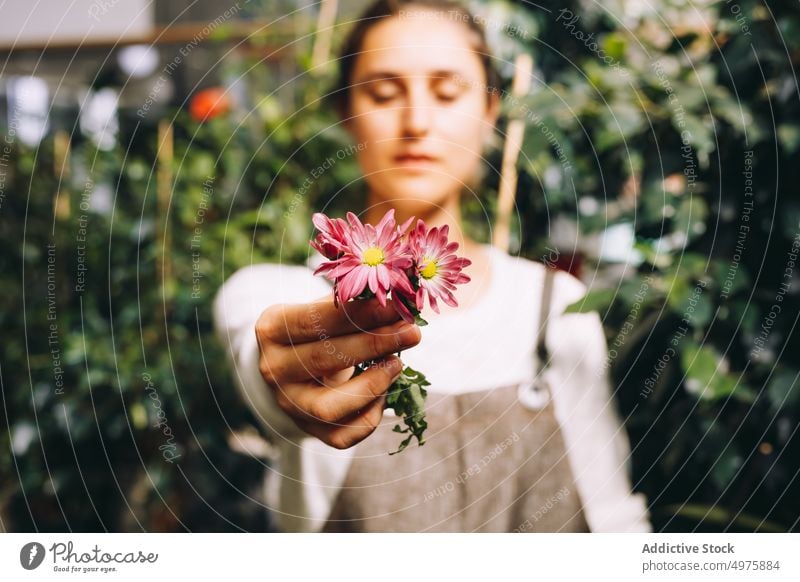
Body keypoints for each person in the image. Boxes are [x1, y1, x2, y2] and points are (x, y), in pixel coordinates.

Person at [213, 0, 651, 533]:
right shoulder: (275, 297)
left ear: (490, 111)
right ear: (347, 112)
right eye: (383, 92)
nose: (417, 122)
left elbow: (611, 516)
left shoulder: (555, 303)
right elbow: (272, 375)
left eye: (446, 93)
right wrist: (295, 387)